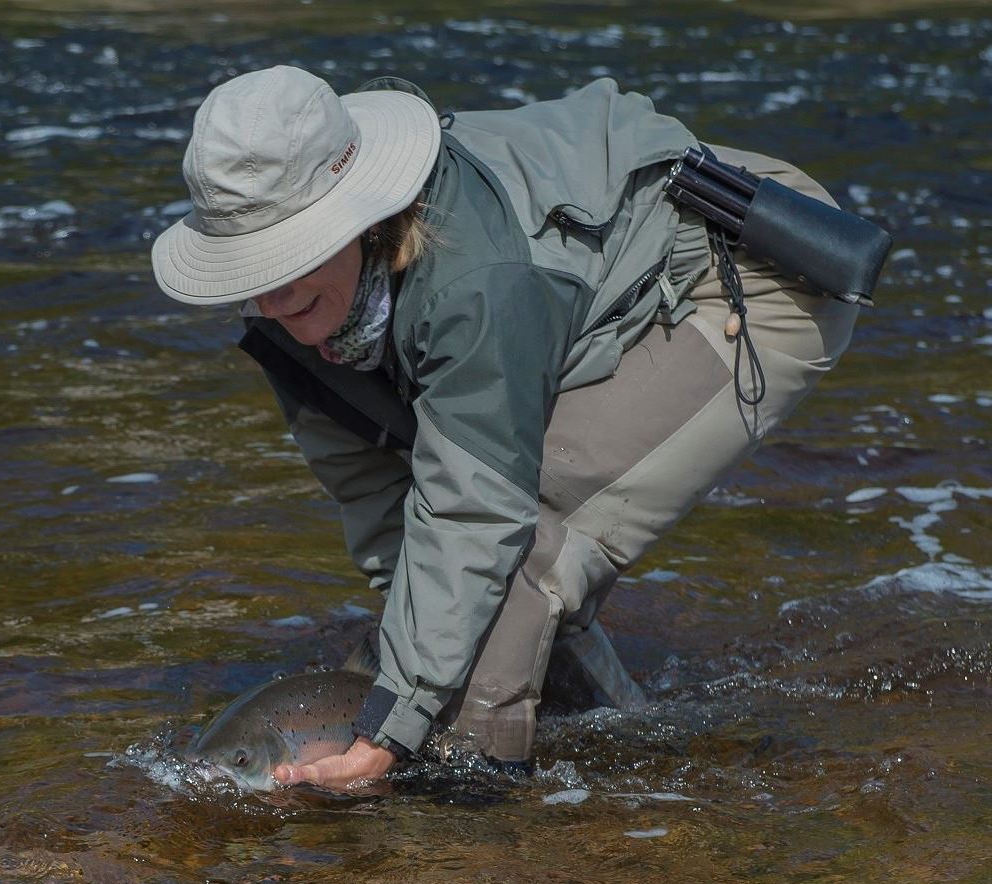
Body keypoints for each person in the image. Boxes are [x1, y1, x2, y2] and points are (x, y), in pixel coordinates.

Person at [151, 65, 858, 792]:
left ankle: (482, 826)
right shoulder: (289, 312)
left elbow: (479, 513)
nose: (271, 291)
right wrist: (407, 675)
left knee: (526, 548)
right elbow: (392, 516)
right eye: (250, 264)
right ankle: (627, 758)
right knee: (464, 598)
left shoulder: (473, 281)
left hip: (748, 274)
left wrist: (393, 732)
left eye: (290, 252)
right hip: (578, 297)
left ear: (362, 217)